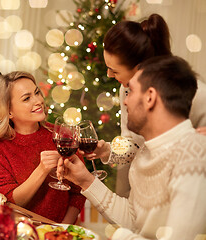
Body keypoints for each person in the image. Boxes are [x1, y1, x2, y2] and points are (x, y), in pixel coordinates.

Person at [58, 55, 206, 239]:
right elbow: (133, 220)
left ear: (150, 97)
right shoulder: (145, 152)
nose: (125, 101)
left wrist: (118, 237)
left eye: (131, 91)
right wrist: (85, 180)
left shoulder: (195, 154)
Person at [85, 14, 206, 196]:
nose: (109, 75)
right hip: (146, 186)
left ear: (141, 67)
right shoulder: (126, 89)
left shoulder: (196, 93)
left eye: (115, 70)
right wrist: (107, 150)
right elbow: (132, 144)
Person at [0, 71, 86, 223]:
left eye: (37, 93)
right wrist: (42, 170)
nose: (38, 101)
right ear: (8, 111)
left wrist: (63, 228)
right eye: (27, 98)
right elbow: (7, 201)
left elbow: (78, 191)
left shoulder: (62, 136)